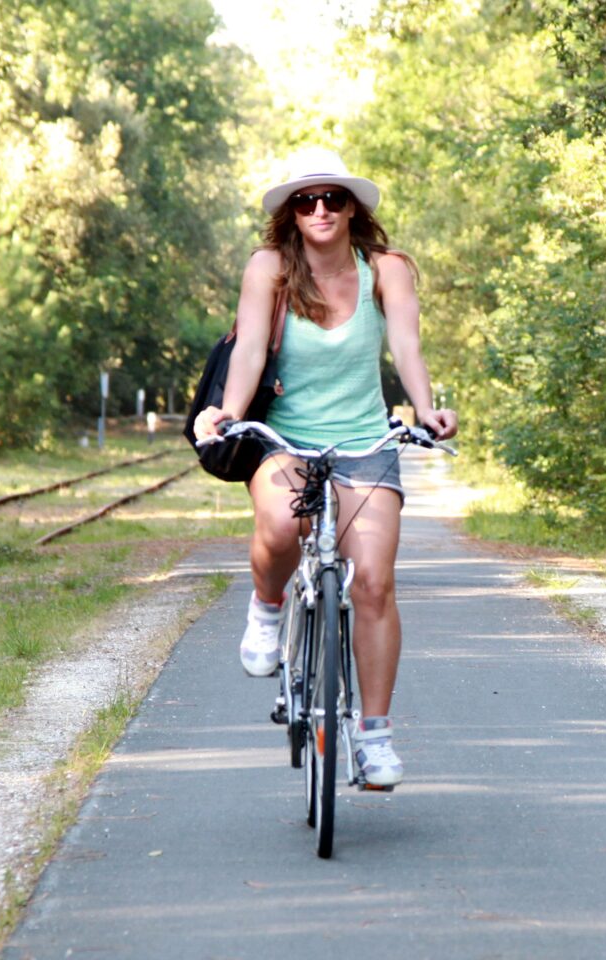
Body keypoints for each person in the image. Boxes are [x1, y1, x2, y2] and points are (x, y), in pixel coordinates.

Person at [192, 147, 458, 787]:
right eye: (305, 200)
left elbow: (407, 345)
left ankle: (374, 738)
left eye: (332, 198)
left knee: (372, 582)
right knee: (283, 526)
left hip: (367, 440)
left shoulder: (386, 270)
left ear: (351, 208)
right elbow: (252, 349)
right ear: (290, 211)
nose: (319, 209)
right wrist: (229, 413)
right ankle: (265, 606)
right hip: (287, 439)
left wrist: (426, 410)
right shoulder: (270, 268)